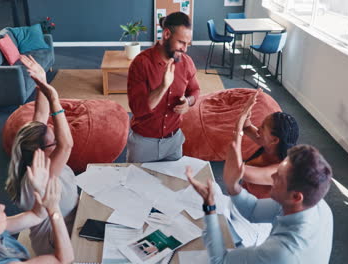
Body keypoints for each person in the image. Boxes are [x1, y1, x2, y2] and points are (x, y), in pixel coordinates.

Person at [186, 105, 334, 264]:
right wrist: (234, 188)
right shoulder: (317, 205)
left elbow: (220, 260)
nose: (273, 176)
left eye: (279, 177)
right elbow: (254, 209)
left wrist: (210, 207)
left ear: (296, 197)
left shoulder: (279, 253)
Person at [5, 55, 78, 255]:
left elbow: (40, 116)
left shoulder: (34, 157)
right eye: (53, 141)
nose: (53, 130)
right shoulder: (41, 176)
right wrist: (54, 98)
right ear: (41, 151)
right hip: (57, 245)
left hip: (72, 221)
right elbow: (67, 145)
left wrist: (42, 82)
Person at [0, 150, 74, 264]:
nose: (3, 206)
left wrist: (40, 189)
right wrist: (54, 209)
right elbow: (64, 260)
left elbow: (37, 216)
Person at [126, 12, 200, 163]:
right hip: (143, 143)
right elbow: (138, 110)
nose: (185, 49)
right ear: (166, 34)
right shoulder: (140, 63)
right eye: (181, 42)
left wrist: (188, 101)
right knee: (137, 185)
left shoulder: (187, 62)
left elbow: (195, 91)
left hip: (174, 141)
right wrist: (163, 86)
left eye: (187, 44)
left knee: (174, 185)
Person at [235, 89, 299, 198]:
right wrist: (247, 109)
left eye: (263, 127)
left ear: (275, 140)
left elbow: (237, 170)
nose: (258, 128)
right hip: (246, 198)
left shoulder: (280, 171)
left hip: (259, 211)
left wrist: (238, 129)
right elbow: (246, 127)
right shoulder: (270, 145)